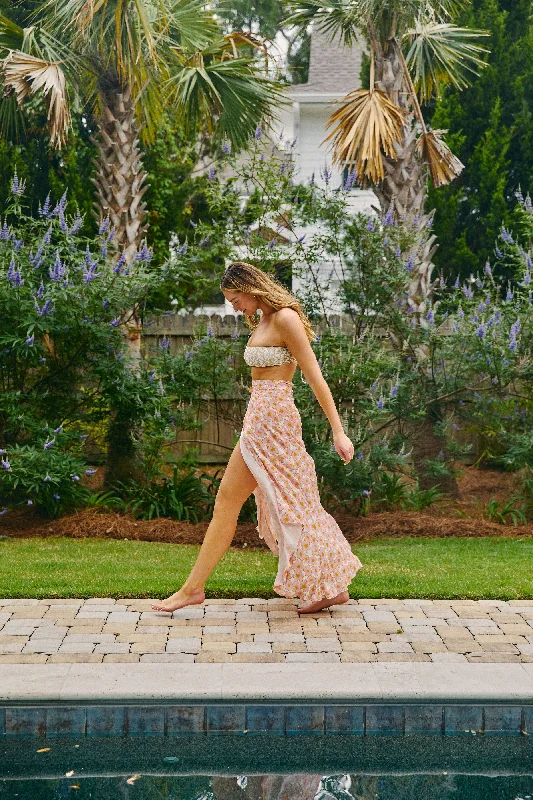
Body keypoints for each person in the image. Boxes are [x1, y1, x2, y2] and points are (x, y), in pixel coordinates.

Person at [152, 262, 362, 615]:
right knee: (230, 502)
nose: (234, 307)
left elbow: (314, 377)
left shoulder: (285, 319)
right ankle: (193, 589)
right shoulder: (262, 321)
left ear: (250, 287)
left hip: (276, 424)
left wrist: (338, 431)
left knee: (294, 503)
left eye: (235, 299)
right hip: (258, 422)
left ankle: (329, 586)